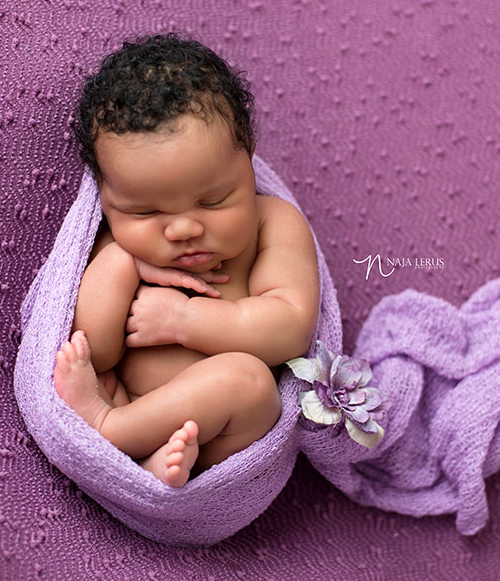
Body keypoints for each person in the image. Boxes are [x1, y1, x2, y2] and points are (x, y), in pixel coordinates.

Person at [52, 33, 320, 487]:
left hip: (221, 433)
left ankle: (110, 432)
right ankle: (138, 450)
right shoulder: (117, 248)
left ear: (248, 157)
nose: (182, 230)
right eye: (146, 212)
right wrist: (124, 264)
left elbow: (291, 327)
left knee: (251, 383)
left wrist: (184, 319)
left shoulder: (271, 223)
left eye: (213, 200)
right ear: (106, 196)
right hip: (123, 395)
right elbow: (95, 349)